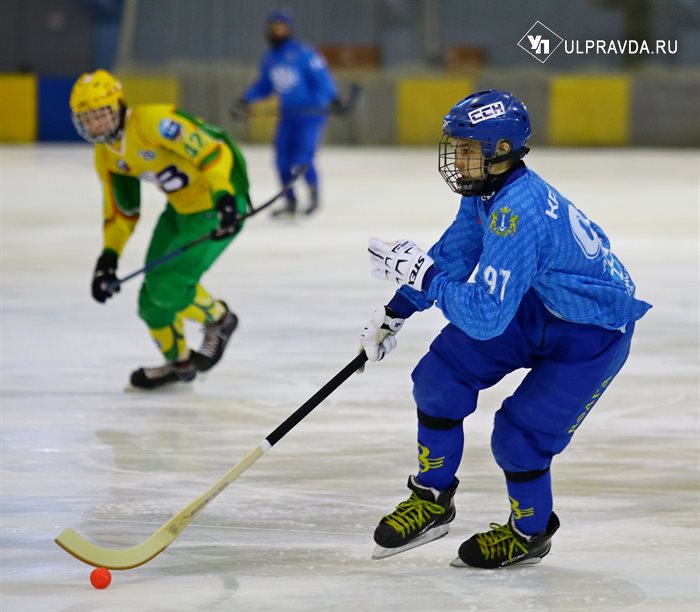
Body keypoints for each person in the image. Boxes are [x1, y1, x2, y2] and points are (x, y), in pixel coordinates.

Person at [359, 90, 651, 568]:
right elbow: (454, 254)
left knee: (519, 437)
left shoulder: (519, 214)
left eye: (467, 149)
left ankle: (529, 533)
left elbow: (485, 316)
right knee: (438, 379)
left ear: (501, 151)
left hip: (592, 332)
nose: (457, 159)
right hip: (541, 303)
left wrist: (424, 277)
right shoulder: (488, 193)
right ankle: (432, 498)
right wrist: (396, 309)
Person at [70, 69, 250, 390]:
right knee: (150, 304)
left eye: (100, 114)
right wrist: (108, 257)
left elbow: (212, 150)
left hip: (218, 205)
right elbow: (121, 211)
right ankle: (179, 364)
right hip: (180, 210)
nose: (96, 125)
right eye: (87, 119)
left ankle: (220, 320)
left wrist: (224, 197)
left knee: (167, 287)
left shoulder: (153, 123)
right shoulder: (106, 156)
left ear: (119, 105)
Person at [238, 8, 340, 218]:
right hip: (288, 114)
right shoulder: (270, 58)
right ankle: (290, 200)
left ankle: (313, 196)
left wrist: (332, 97)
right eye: (273, 28)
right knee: (281, 161)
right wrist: (246, 98)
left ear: (289, 29)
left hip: (310, 114)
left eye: (281, 28)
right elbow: (265, 86)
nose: (277, 32)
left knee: (303, 157)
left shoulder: (304, 53)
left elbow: (322, 78)